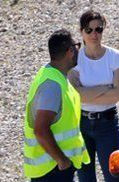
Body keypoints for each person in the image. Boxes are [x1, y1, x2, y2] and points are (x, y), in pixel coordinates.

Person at [23, 30, 91, 181]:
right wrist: (62, 160)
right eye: (77, 46)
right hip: (52, 170)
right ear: (70, 51)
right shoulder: (52, 85)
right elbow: (40, 130)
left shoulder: (54, 77)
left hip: (55, 169)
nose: (79, 49)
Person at [69, 10, 119, 182]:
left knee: (115, 176)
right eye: (89, 30)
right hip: (81, 123)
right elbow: (76, 95)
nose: (94, 34)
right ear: (81, 31)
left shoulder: (115, 57)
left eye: (98, 29)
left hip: (108, 123)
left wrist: (87, 93)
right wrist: (106, 87)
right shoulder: (74, 58)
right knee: (85, 177)